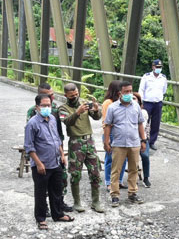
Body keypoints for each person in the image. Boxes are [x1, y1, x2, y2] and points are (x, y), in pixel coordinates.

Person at [25, 94, 74, 229]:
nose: (47, 107)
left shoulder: (52, 118)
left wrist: (62, 154)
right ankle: (41, 219)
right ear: (37, 107)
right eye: (44, 105)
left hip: (55, 161)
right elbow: (29, 146)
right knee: (41, 193)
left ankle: (57, 214)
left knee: (56, 190)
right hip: (42, 164)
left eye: (49, 105)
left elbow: (57, 138)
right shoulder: (32, 124)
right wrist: (39, 163)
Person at [58, 83, 104, 213]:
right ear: (66, 95)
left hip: (89, 141)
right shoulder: (63, 108)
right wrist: (77, 112)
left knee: (95, 172)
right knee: (75, 174)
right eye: (72, 96)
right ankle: (77, 202)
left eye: (76, 94)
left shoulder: (84, 103)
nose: (75, 97)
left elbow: (96, 117)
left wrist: (96, 110)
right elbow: (67, 121)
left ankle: (96, 202)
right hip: (75, 142)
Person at [104, 82, 147, 207]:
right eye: (126, 92)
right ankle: (115, 195)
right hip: (119, 143)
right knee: (115, 170)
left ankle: (132, 193)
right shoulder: (112, 107)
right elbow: (108, 125)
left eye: (130, 91)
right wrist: (106, 142)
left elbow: (140, 124)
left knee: (134, 169)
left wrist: (143, 140)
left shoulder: (136, 107)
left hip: (134, 143)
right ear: (120, 93)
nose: (129, 94)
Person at [102, 80, 127, 190]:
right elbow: (107, 122)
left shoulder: (122, 103)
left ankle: (119, 180)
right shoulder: (108, 103)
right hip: (111, 133)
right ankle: (109, 182)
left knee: (123, 158)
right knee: (110, 158)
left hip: (121, 134)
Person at [138, 59, 168, 150]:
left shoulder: (163, 78)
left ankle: (152, 142)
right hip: (147, 102)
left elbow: (164, 90)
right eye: (157, 67)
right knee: (144, 122)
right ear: (153, 67)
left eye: (160, 67)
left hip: (158, 103)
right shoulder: (146, 76)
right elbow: (141, 89)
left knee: (156, 123)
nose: (158, 69)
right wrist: (140, 102)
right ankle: (143, 139)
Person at [132, 93, 152, 188]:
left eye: (134, 98)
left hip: (142, 138)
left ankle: (146, 177)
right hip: (130, 139)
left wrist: (143, 140)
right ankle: (133, 178)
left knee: (145, 156)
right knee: (132, 158)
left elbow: (142, 127)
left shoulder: (143, 112)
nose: (132, 100)